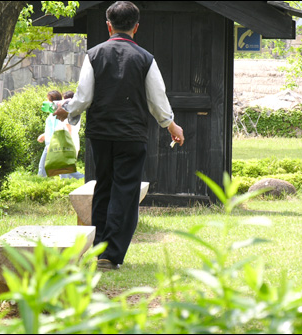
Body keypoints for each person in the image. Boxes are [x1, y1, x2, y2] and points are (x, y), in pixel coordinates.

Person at [54, 1, 184, 271]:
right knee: (125, 190)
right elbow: (157, 99)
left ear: (108, 25)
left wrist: (66, 111)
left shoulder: (94, 55)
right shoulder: (146, 58)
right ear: (136, 27)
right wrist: (170, 125)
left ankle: (99, 246)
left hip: (100, 134)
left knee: (103, 186)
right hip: (132, 134)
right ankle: (111, 254)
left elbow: (83, 97)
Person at [37, 90, 63, 177]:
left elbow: (57, 128)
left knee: (43, 168)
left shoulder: (57, 113)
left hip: (52, 144)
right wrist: (44, 135)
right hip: (50, 143)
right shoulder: (53, 113)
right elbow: (52, 128)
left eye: (48, 100)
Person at [60, 90, 85, 180]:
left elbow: (68, 127)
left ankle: (84, 177)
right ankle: (67, 182)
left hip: (69, 139)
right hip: (75, 138)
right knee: (68, 164)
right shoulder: (77, 111)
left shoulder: (68, 111)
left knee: (64, 165)